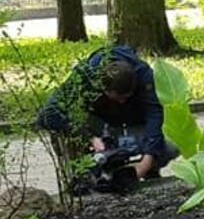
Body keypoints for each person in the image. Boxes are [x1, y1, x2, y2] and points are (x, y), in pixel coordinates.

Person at [36, 45, 176, 181]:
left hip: (132, 124)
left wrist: (147, 159)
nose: (122, 101)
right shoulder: (85, 76)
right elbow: (48, 115)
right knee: (65, 134)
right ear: (102, 88)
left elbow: (154, 114)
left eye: (127, 97)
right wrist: (88, 137)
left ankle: (148, 172)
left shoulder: (144, 75)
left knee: (170, 149)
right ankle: (83, 178)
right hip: (97, 124)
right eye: (117, 97)